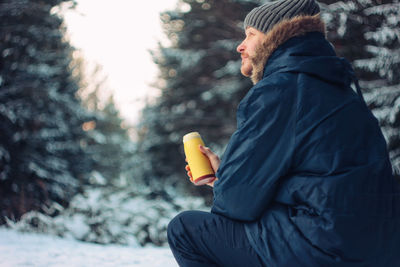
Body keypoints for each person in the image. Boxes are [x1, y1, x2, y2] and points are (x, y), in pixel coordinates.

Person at [167, 0, 400, 266]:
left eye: (251, 34)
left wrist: (226, 183)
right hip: (377, 249)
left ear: (275, 38)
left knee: (185, 229)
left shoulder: (280, 89)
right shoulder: (342, 92)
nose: (240, 45)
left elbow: (237, 203)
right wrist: (223, 176)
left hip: (322, 248)